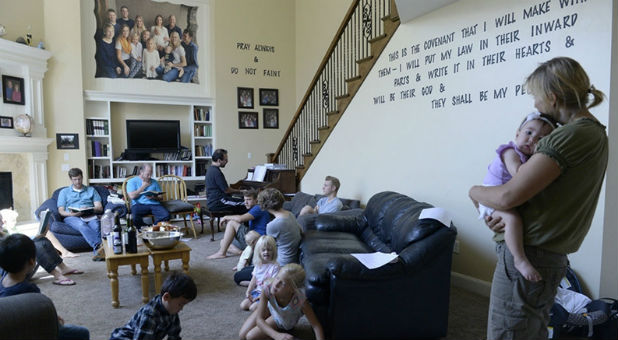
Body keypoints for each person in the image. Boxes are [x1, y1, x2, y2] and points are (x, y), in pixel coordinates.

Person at [469, 57, 608, 340]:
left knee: (510, 333)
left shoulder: (569, 136)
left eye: (535, 96)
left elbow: (509, 195)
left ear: (552, 97)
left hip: (532, 251)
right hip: (546, 253)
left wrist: (474, 192)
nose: (535, 105)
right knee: (531, 330)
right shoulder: (594, 134)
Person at [476, 112, 556, 283]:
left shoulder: (529, 158)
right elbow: (518, 173)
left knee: (517, 216)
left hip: (504, 196)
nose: (532, 140)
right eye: (529, 132)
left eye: (540, 138)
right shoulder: (510, 152)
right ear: (517, 133)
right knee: (513, 219)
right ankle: (520, 260)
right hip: (492, 195)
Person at [0, 234, 90, 338]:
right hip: (33, 329)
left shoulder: (2, 282)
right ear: (32, 261)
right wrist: (55, 319)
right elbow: (41, 311)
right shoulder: (30, 290)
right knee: (82, 333)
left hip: (10, 329)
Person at [239, 263, 324, 340]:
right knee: (242, 336)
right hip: (270, 308)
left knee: (250, 337)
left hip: (282, 320)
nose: (276, 284)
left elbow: (316, 326)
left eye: (282, 283)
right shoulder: (268, 288)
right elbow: (259, 319)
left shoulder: (300, 300)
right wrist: (276, 335)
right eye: (277, 278)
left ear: (292, 289)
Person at [110, 271, 197, 340]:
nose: (181, 308)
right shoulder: (149, 315)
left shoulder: (172, 311)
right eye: (180, 304)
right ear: (167, 297)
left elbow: (174, 335)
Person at [0, 219, 82, 286]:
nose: (3, 222)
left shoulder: (4, 234)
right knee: (36, 246)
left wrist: (38, 236)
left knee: (42, 240)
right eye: (0, 220)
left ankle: (63, 268)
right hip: (14, 274)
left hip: (21, 268)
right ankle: (58, 275)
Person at [207, 189, 271, 260]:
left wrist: (226, 217)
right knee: (223, 242)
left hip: (258, 239)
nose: (245, 202)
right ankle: (243, 253)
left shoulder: (258, 208)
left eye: (249, 199)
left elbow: (240, 219)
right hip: (251, 238)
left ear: (256, 200)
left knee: (231, 223)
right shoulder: (255, 208)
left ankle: (221, 253)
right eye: (245, 200)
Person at [57, 168, 105, 261]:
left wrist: (89, 209)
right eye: (75, 179)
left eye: (79, 179)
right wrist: (72, 215)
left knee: (96, 225)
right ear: (71, 179)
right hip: (72, 217)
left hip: (89, 215)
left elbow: (99, 208)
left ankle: (98, 253)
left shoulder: (91, 190)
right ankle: (100, 247)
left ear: (82, 177)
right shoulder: (64, 192)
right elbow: (61, 211)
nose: (78, 182)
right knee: (81, 225)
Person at [259, 188, 302, 266]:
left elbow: (269, 250)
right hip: (293, 260)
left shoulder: (273, 225)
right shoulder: (290, 214)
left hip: (280, 264)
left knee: (239, 275)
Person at [240, 235, 280, 311]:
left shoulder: (275, 267)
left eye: (269, 250)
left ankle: (268, 307)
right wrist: (248, 291)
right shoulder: (258, 265)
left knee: (252, 308)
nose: (266, 252)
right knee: (243, 305)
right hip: (256, 292)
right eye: (263, 250)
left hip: (267, 295)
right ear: (259, 252)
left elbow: (272, 286)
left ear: (273, 251)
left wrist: (261, 297)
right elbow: (253, 280)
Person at [126, 164, 170, 229]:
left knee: (166, 215)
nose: (149, 176)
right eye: (147, 174)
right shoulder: (132, 181)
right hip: (139, 204)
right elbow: (132, 196)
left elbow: (161, 197)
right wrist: (143, 186)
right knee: (134, 217)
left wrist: (154, 197)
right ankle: (145, 228)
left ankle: (152, 227)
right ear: (141, 172)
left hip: (154, 204)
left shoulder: (154, 182)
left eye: (151, 174)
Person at [205, 149, 246, 214]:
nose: (227, 161)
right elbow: (226, 190)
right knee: (247, 203)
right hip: (219, 202)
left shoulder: (210, 169)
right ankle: (241, 223)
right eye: (225, 160)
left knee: (244, 202)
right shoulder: (216, 172)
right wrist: (241, 191)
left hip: (213, 202)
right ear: (219, 160)